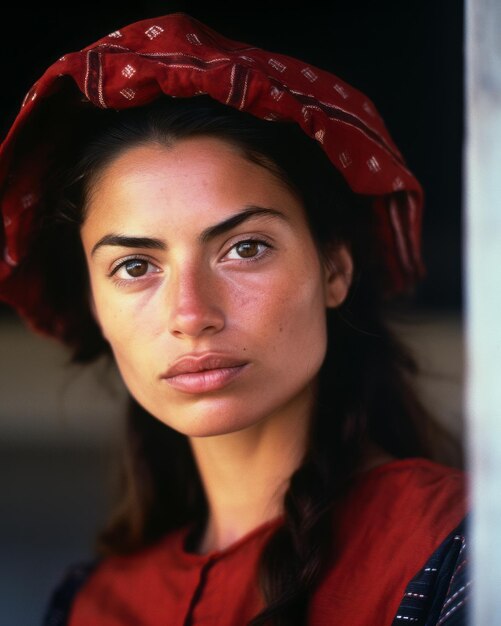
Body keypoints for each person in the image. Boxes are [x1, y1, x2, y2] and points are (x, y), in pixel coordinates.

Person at [0, 12, 468, 626]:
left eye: (245, 247)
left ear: (334, 269)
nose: (191, 314)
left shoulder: (457, 553)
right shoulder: (93, 605)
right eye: (136, 266)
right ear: (94, 304)